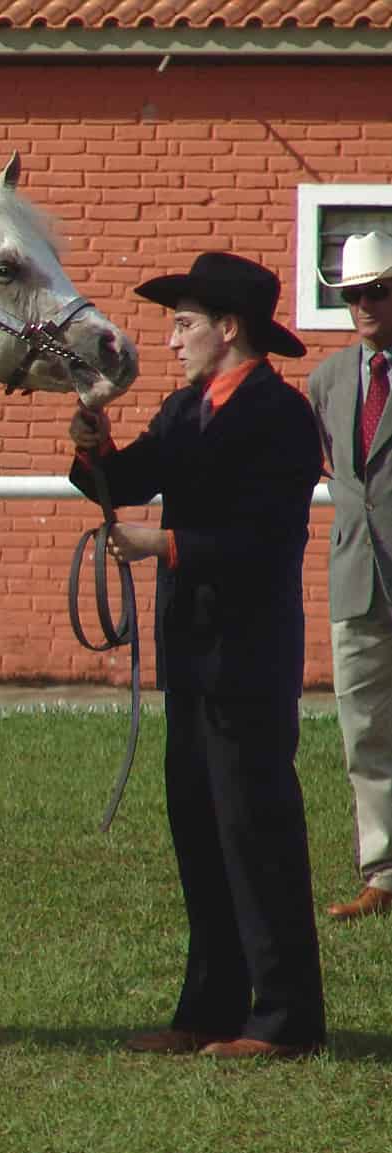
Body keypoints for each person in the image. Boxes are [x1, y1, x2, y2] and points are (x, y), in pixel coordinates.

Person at [68, 251, 326, 1059]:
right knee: (200, 830)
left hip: (247, 657)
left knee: (256, 833)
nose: (173, 339)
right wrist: (93, 449)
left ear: (228, 328)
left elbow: (267, 539)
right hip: (191, 654)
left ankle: (284, 1019)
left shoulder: (278, 418)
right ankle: (209, 1009)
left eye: (184, 324)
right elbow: (122, 478)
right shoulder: (186, 411)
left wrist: (165, 543)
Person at [309, 231, 392, 921]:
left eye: (377, 290)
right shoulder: (328, 379)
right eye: (352, 295)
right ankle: (383, 871)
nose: (363, 305)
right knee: (362, 728)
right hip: (355, 574)